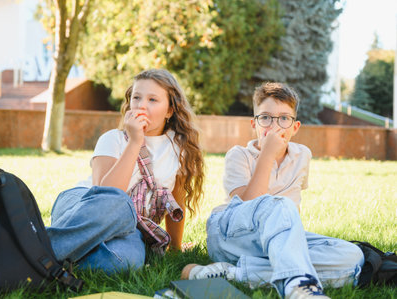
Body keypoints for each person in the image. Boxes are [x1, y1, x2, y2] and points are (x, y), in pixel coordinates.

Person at [180, 82, 364, 299]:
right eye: (265, 117)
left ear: (294, 127)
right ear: (254, 124)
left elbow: (292, 212)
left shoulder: (302, 155)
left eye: (284, 118)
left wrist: (286, 247)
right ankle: (298, 286)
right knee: (280, 204)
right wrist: (267, 154)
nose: (274, 126)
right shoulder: (239, 155)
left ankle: (234, 273)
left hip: (272, 239)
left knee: (352, 256)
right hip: (231, 234)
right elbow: (247, 205)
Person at [46, 69, 204, 274]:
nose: (141, 105)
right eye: (136, 97)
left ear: (169, 111)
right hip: (80, 206)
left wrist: (175, 248)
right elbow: (104, 197)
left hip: (128, 226)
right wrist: (136, 141)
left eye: (153, 99)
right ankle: (37, 249)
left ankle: (61, 257)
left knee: (126, 263)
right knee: (121, 204)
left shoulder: (178, 149)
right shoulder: (113, 139)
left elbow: (177, 200)